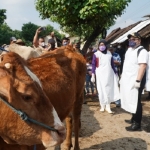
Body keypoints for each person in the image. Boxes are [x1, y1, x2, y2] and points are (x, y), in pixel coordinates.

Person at [120, 32, 148, 131]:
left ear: (139, 40)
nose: (132, 41)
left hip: (136, 80)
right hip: (128, 79)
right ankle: (133, 118)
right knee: (130, 99)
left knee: (136, 101)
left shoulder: (142, 51)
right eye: (130, 39)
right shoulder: (129, 50)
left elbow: (143, 66)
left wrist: (138, 80)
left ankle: (137, 123)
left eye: (134, 39)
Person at [91, 39, 120, 113]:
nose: (102, 46)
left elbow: (112, 65)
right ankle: (102, 106)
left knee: (108, 89)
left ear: (106, 46)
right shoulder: (96, 54)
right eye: (100, 45)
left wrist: (116, 73)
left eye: (103, 45)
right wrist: (93, 74)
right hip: (100, 74)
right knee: (101, 90)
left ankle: (108, 106)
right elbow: (94, 64)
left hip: (109, 74)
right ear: (98, 46)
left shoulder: (109, 53)